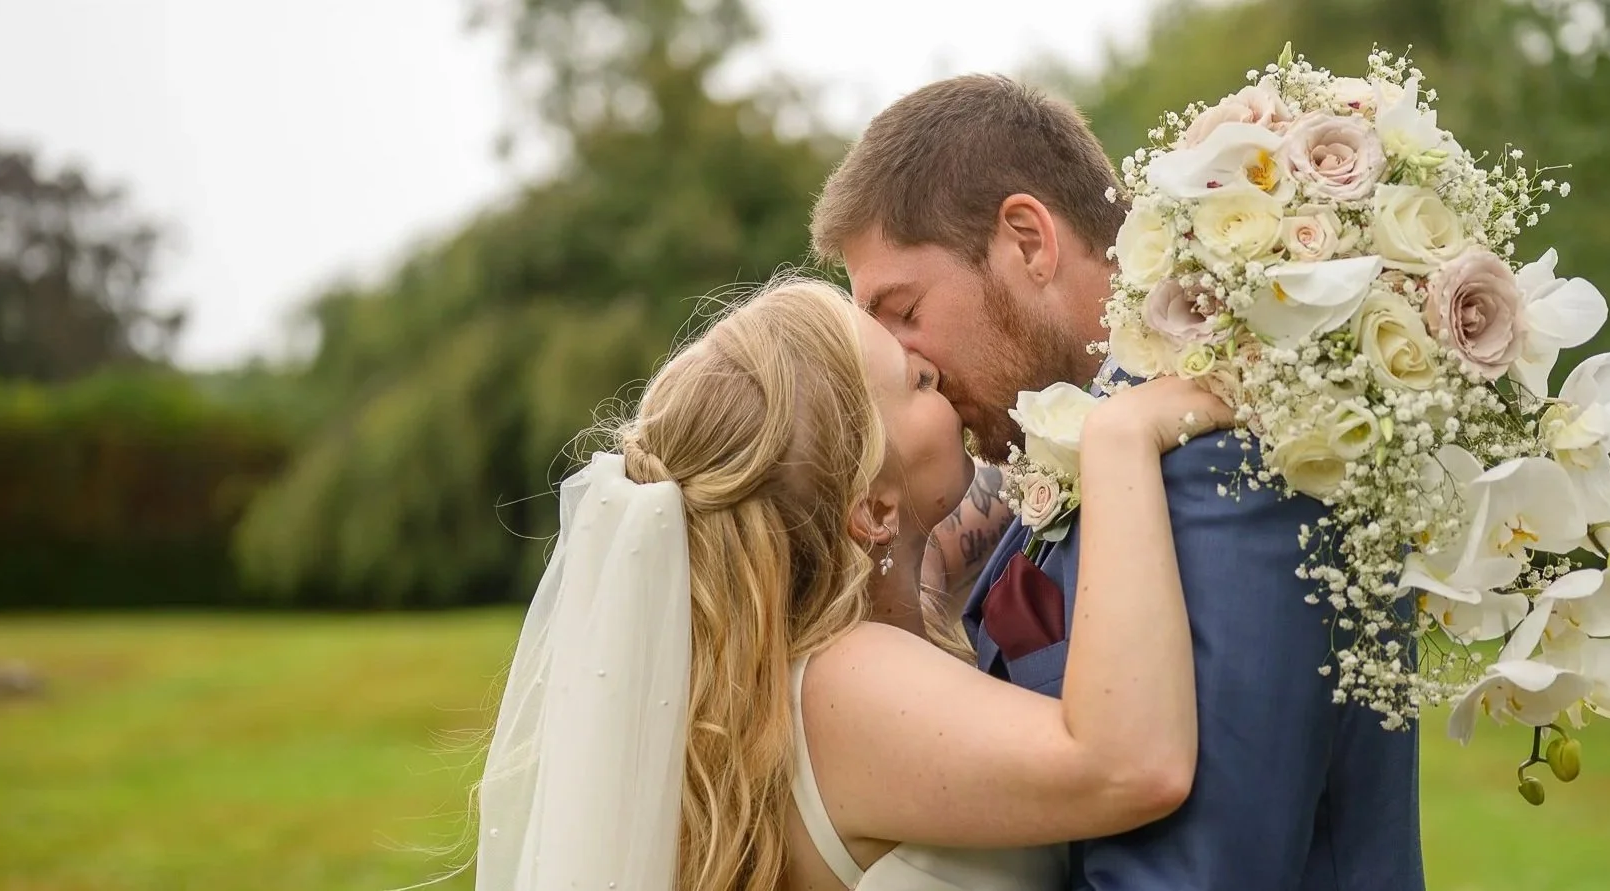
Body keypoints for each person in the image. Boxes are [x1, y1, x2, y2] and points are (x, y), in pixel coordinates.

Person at [812, 74, 1426, 890]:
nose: (905, 358)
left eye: (903, 309)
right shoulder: (1090, 438)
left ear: (1029, 240)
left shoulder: (1221, 459)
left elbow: (1201, 871)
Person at [474, 278, 1235, 891]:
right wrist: (1119, 436)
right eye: (919, 381)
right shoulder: (844, 682)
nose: (940, 373)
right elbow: (1132, 766)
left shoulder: (815, 656)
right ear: (872, 508)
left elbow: (1011, 491)